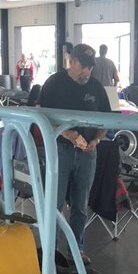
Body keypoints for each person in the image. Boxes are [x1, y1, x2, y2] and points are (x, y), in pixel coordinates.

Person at [37, 43, 112, 246]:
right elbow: (41, 117)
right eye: (83, 66)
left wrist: (96, 140)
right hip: (60, 151)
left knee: (80, 206)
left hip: (88, 152)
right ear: (72, 61)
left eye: (90, 67)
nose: (87, 71)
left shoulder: (96, 87)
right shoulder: (53, 83)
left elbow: (107, 119)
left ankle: (77, 250)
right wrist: (67, 133)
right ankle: (49, 251)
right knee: (55, 203)